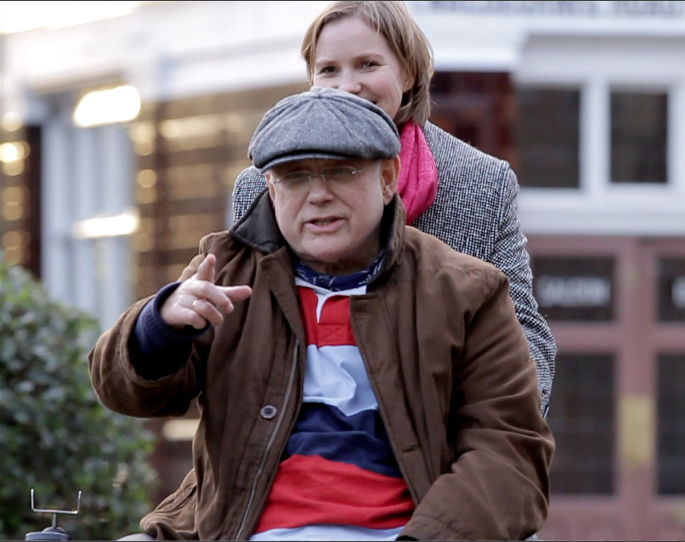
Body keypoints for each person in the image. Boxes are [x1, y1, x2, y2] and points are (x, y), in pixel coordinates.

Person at [90, 87, 554, 540]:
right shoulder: (227, 272)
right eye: (294, 176)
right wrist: (161, 325)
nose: (318, 195)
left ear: (388, 178)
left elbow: (509, 451)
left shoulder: (465, 291)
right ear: (270, 188)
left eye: (341, 171)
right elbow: (126, 393)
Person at [230, 1, 556, 415]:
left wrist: (494, 439)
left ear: (410, 72)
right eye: (329, 70)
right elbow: (237, 327)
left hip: (432, 440)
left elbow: (524, 333)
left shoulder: (480, 184)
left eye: (367, 65)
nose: (347, 86)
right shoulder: (261, 184)